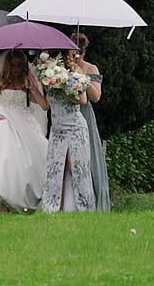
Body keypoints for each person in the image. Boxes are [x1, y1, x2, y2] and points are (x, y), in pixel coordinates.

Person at [0, 49, 50, 211]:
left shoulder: (28, 81)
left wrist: (33, 88)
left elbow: (44, 105)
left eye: (19, 65)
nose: (16, 69)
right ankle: (3, 202)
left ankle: (26, 199)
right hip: (5, 119)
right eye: (13, 65)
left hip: (25, 120)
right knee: (7, 158)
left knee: (41, 151)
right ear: (8, 65)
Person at [39, 47, 97, 212]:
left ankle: (85, 207)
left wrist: (62, 88)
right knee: (55, 167)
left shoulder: (76, 74)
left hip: (75, 127)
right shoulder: (49, 76)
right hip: (57, 129)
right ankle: (52, 207)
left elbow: (83, 100)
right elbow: (46, 104)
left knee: (77, 167)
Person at [71, 32, 111, 211]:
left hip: (85, 115)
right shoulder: (61, 68)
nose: (74, 56)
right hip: (66, 114)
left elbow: (96, 97)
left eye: (77, 53)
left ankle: (93, 198)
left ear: (83, 52)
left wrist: (82, 77)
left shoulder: (91, 68)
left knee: (89, 154)